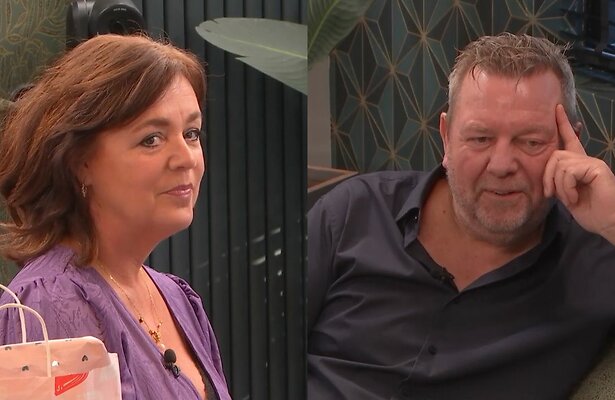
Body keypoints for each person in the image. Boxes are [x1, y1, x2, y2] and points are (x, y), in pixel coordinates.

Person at [307, 32, 615, 399]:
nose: (501, 165)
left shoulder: (597, 265)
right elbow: (257, 345)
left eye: (531, 142)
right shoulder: (352, 211)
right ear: (446, 137)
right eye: (480, 138)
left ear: (570, 144)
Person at [0, 34, 231, 400]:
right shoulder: (52, 303)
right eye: (152, 139)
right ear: (80, 162)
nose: (186, 158)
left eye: (191, 133)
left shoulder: (177, 297)